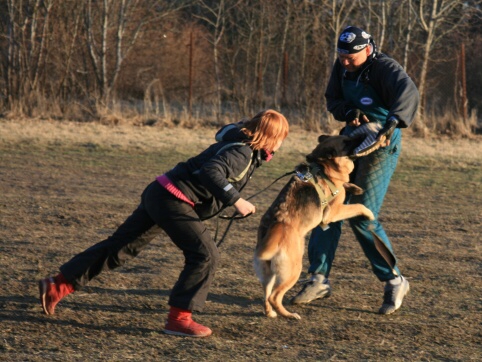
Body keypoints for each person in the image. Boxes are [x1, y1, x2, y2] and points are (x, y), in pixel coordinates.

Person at [38, 109, 289, 337]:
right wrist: (237, 200)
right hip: (174, 200)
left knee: (120, 246)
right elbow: (211, 172)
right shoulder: (242, 152)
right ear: (270, 136)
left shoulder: (238, 142)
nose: (280, 144)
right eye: (281, 138)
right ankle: (179, 319)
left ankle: (58, 285)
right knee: (205, 256)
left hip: (160, 191)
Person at [291, 26, 419, 315]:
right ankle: (318, 279)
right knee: (326, 208)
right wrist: (347, 113)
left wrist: (392, 122)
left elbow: (408, 93)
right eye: (341, 56)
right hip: (349, 142)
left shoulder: (385, 68)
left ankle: (395, 280)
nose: (345, 62)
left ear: (368, 49)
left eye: (351, 56)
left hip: (382, 144)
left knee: (363, 214)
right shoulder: (343, 66)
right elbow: (333, 100)